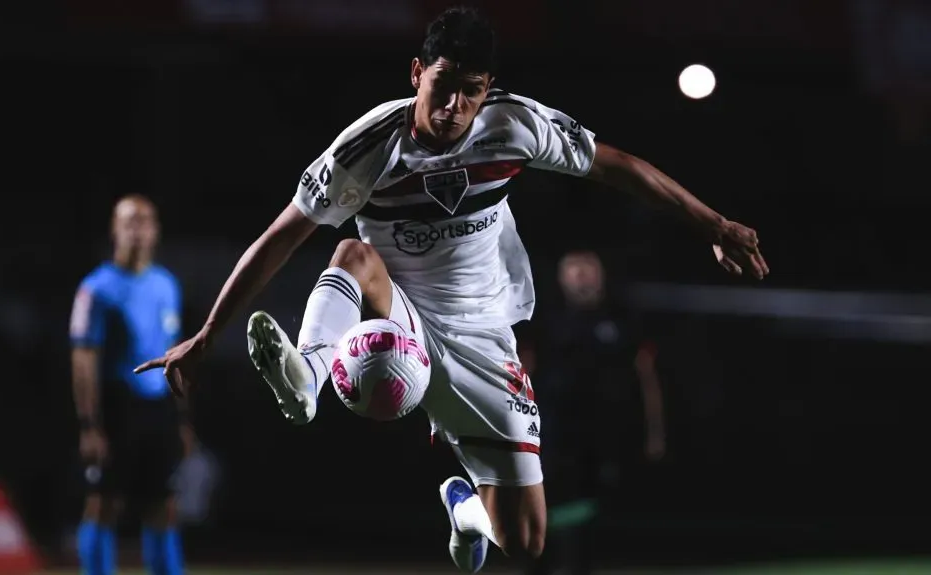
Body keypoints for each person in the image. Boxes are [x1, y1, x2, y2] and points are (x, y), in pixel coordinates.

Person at [135, 6, 769, 572]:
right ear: (416, 73)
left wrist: (712, 223)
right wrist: (208, 334)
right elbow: (279, 236)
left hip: (489, 339)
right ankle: (309, 376)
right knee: (352, 252)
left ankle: (465, 508)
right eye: (443, 87)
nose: (453, 108)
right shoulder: (370, 147)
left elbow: (617, 166)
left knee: (526, 542)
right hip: (400, 317)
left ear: (487, 88)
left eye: (470, 92)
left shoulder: (513, 126)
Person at [70, 195, 193, 575]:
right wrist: (89, 425)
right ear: (114, 229)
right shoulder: (96, 289)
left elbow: (176, 355)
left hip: (157, 409)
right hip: (116, 406)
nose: (137, 229)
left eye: (145, 221)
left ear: (156, 231)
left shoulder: (166, 285)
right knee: (104, 503)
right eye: (129, 221)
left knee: (163, 506)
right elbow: (83, 358)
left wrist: (183, 418)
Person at [527, 250, 666, 574]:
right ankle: (538, 565)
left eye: (588, 269)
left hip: (605, 434)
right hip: (552, 432)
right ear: (561, 278)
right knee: (543, 503)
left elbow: (647, 377)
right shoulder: (543, 320)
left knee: (592, 508)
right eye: (574, 270)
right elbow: (522, 373)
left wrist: (655, 432)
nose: (582, 277)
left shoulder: (623, 319)